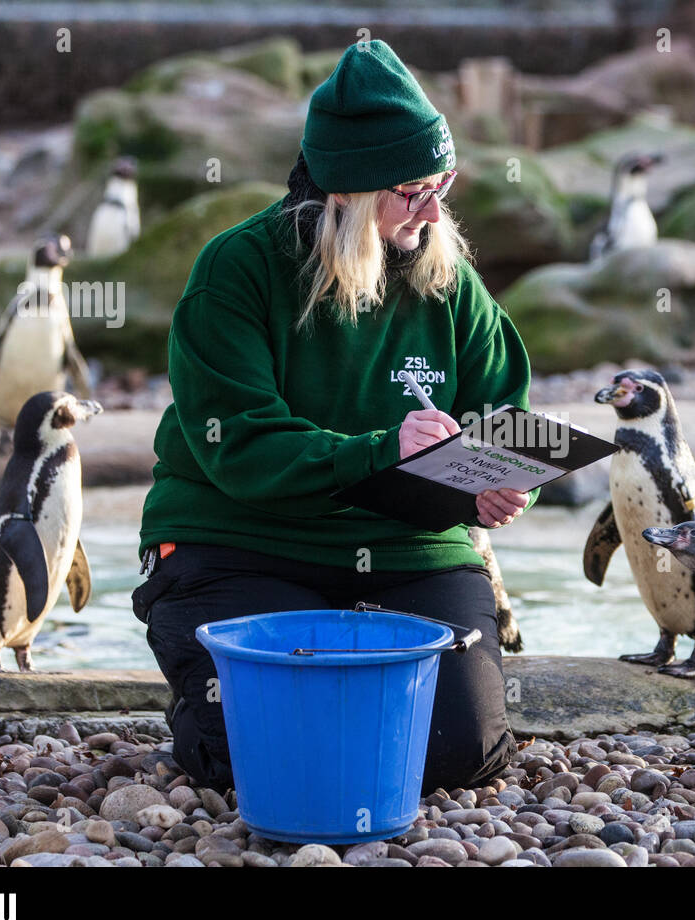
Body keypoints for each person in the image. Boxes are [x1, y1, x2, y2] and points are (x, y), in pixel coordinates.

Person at [132, 40, 534, 797]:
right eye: (412, 188)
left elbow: (505, 411)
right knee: (253, 754)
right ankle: (201, 695)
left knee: (458, 752)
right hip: (240, 541)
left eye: (442, 182)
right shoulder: (237, 270)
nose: (434, 209)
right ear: (344, 190)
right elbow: (240, 447)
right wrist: (385, 450)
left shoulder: (448, 280)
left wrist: (507, 481)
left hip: (406, 550)